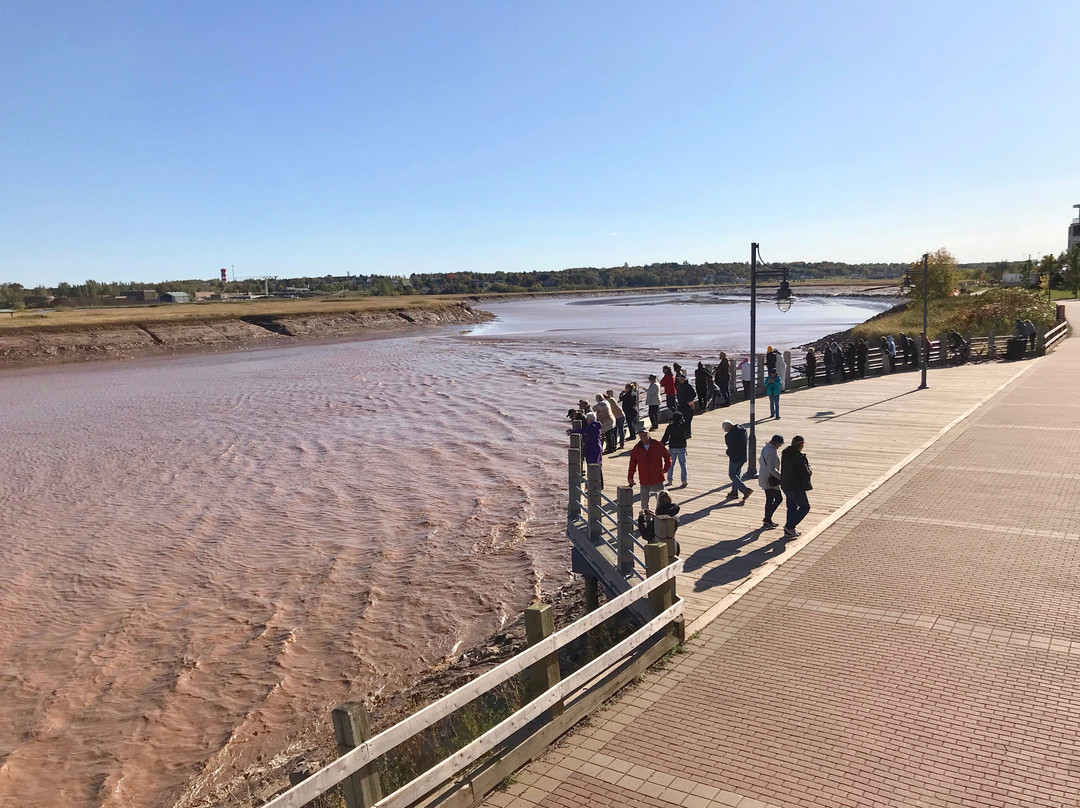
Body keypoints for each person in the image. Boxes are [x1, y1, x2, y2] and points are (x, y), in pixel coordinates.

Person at [628, 427, 672, 512]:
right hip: (644, 479)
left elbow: (667, 456)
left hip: (657, 478)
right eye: (641, 435)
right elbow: (632, 464)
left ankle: (661, 516)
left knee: (662, 501)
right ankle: (646, 519)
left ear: (649, 434)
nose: (644, 437)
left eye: (645, 434)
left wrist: (666, 469)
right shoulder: (637, 448)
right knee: (644, 503)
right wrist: (630, 477)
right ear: (639, 436)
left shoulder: (657, 445)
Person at [780, 434, 812, 539]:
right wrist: (809, 470)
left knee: (792, 507)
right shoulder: (798, 457)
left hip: (785, 485)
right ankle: (790, 526)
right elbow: (804, 473)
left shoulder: (785, 453)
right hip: (796, 486)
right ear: (800, 445)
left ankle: (789, 531)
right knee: (805, 507)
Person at [722, 420, 752, 503]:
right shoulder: (742, 430)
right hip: (743, 456)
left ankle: (745, 490)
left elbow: (731, 448)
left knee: (732, 474)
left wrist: (727, 453)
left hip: (734, 458)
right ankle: (734, 492)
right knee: (737, 474)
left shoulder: (729, 436)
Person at [758, 434, 784, 528]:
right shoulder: (772, 451)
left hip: (763, 476)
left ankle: (767, 520)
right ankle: (767, 519)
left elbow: (761, 461)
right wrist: (781, 478)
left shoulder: (765, 448)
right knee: (778, 499)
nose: (780, 446)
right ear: (776, 443)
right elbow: (772, 468)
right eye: (780, 444)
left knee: (769, 499)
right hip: (770, 479)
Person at [661, 411, 689, 487]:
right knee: (683, 464)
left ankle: (670, 480)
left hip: (672, 446)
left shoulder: (670, 426)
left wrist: (662, 444)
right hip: (681, 446)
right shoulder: (683, 425)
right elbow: (687, 433)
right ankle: (684, 480)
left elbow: (666, 436)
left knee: (671, 464)